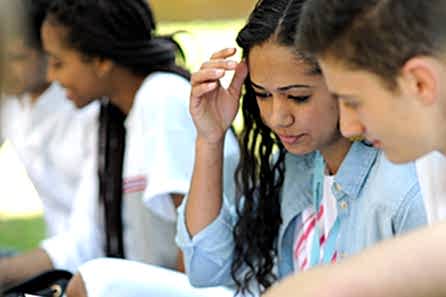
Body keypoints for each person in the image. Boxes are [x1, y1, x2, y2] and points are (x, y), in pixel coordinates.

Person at [62, 0, 426, 296]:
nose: (277, 117)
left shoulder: (400, 188)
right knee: (99, 282)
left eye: (297, 97)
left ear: (340, 78)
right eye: (262, 95)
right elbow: (205, 267)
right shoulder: (292, 165)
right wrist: (210, 138)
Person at [0, 0, 239, 292]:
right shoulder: (116, 114)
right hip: (166, 282)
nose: (51, 76)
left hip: (207, 287)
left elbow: (195, 244)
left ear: (101, 61)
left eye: (59, 63)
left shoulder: (160, 99)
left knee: (96, 278)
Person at [262, 1, 446, 297]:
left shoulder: (407, 182)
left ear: (419, 83)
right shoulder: (429, 159)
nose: (348, 127)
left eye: (353, 102)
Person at [0, 0, 98, 239]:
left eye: (16, 57)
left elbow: (91, 236)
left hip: (90, 259)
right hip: (52, 250)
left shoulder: (86, 108)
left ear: (49, 50)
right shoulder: (13, 101)